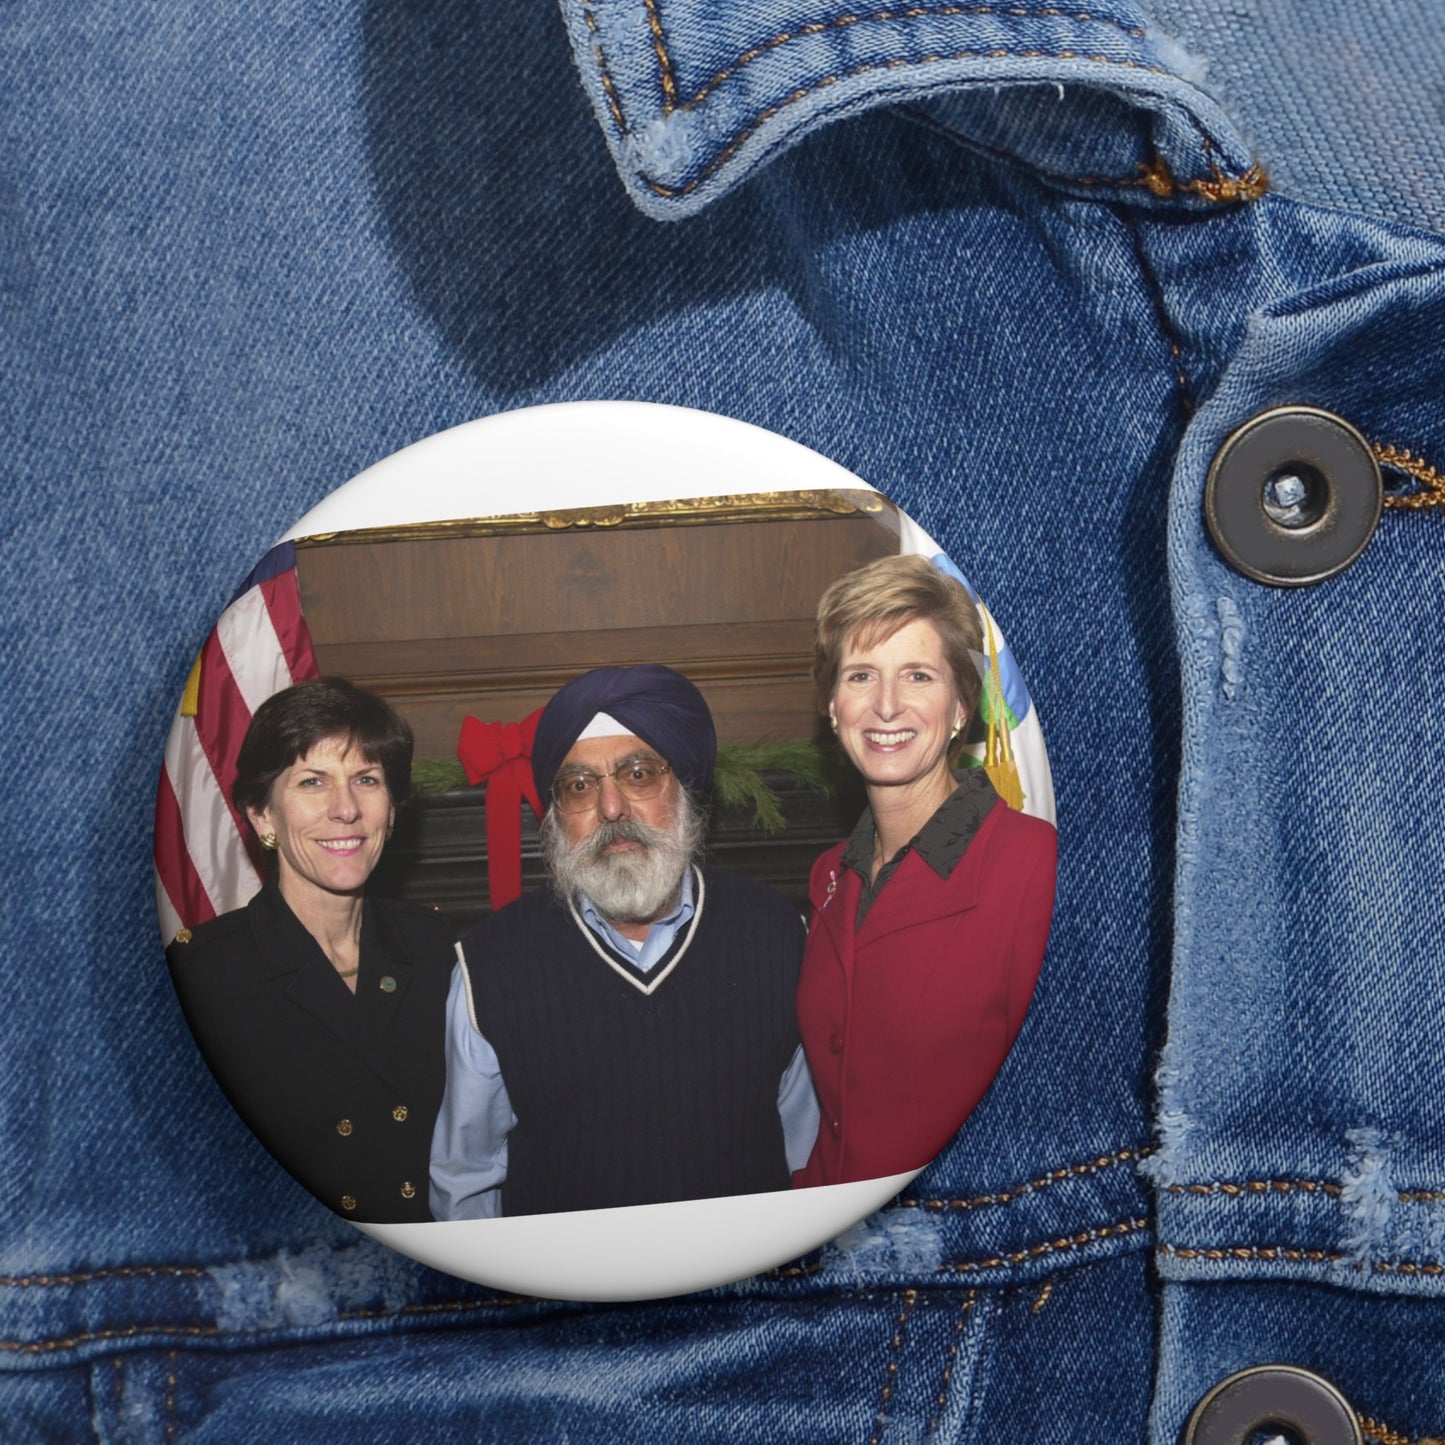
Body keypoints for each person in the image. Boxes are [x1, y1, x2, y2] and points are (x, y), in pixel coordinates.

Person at [430, 663, 817, 1218]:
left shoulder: (778, 937)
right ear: (558, 815)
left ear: (685, 789)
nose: (611, 809)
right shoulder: (489, 966)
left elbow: (804, 1151)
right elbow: (465, 1180)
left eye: (638, 775)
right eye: (580, 786)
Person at [795, 554, 1058, 1187]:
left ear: (962, 705)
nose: (886, 706)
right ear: (834, 707)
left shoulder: (1034, 867)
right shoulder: (830, 876)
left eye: (917, 675)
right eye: (861, 676)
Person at [167, 678, 456, 1223]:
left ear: (391, 811)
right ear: (262, 816)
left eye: (367, 780)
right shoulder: (200, 979)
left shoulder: (439, 948)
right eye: (312, 782)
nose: (345, 809)